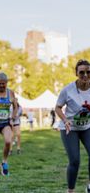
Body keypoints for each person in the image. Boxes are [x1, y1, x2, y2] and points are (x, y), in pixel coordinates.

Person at [55, 59, 90, 193]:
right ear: (76, 73)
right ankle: (71, 190)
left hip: (87, 127)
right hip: (69, 128)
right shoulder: (68, 90)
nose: (85, 75)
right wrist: (65, 120)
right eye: (82, 72)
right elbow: (58, 107)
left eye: (88, 72)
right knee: (75, 161)